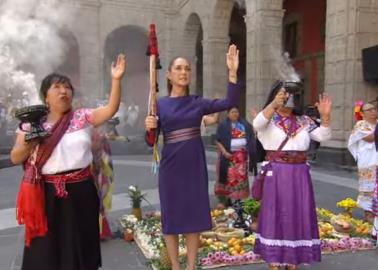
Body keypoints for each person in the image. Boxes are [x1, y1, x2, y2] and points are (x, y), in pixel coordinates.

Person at [10, 54, 126, 270]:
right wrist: (31, 140)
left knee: (80, 246)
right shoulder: (31, 125)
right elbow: (16, 156)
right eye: (57, 87)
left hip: (81, 191)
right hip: (46, 194)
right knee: (45, 251)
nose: (64, 91)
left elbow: (110, 109)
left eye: (67, 87)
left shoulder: (82, 117)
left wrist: (116, 79)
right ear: (46, 96)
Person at [144, 44, 240, 270]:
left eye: (187, 68)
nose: (183, 72)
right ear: (169, 74)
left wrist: (233, 73)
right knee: (172, 217)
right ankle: (176, 267)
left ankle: (191, 266)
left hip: (194, 166)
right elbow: (150, 141)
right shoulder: (159, 104)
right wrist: (149, 126)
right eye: (178, 68)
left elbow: (229, 103)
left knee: (193, 217)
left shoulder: (198, 102)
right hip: (170, 167)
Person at [252, 81, 332, 270]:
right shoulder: (268, 119)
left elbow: (323, 136)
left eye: (291, 95)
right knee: (276, 213)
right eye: (283, 94)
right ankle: (274, 259)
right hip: (277, 172)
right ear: (275, 95)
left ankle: (292, 258)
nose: (288, 98)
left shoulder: (304, 121)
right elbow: (256, 124)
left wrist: (326, 118)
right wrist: (273, 105)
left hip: (300, 174)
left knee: (297, 213)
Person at [214, 106, 257, 206]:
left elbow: (252, 135)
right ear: (228, 114)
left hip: (241, 158)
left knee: (241, 179)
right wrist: (224, 152)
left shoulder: (245, 124)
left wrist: (255, 118)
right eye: (232, 112)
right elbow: (217, 140)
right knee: (228, 178)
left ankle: (238, 201)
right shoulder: (223, 125)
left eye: (236, 112)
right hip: (227, 157)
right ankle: (226, 200)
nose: (235, 114)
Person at [348, 102, 377, 224]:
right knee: (369, 188)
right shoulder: (361, 125)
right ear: (362, 114)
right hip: (368, 161)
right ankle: (368, 213)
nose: (373, 111)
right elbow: (370, 138)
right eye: (369, 110)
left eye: (374, 108)